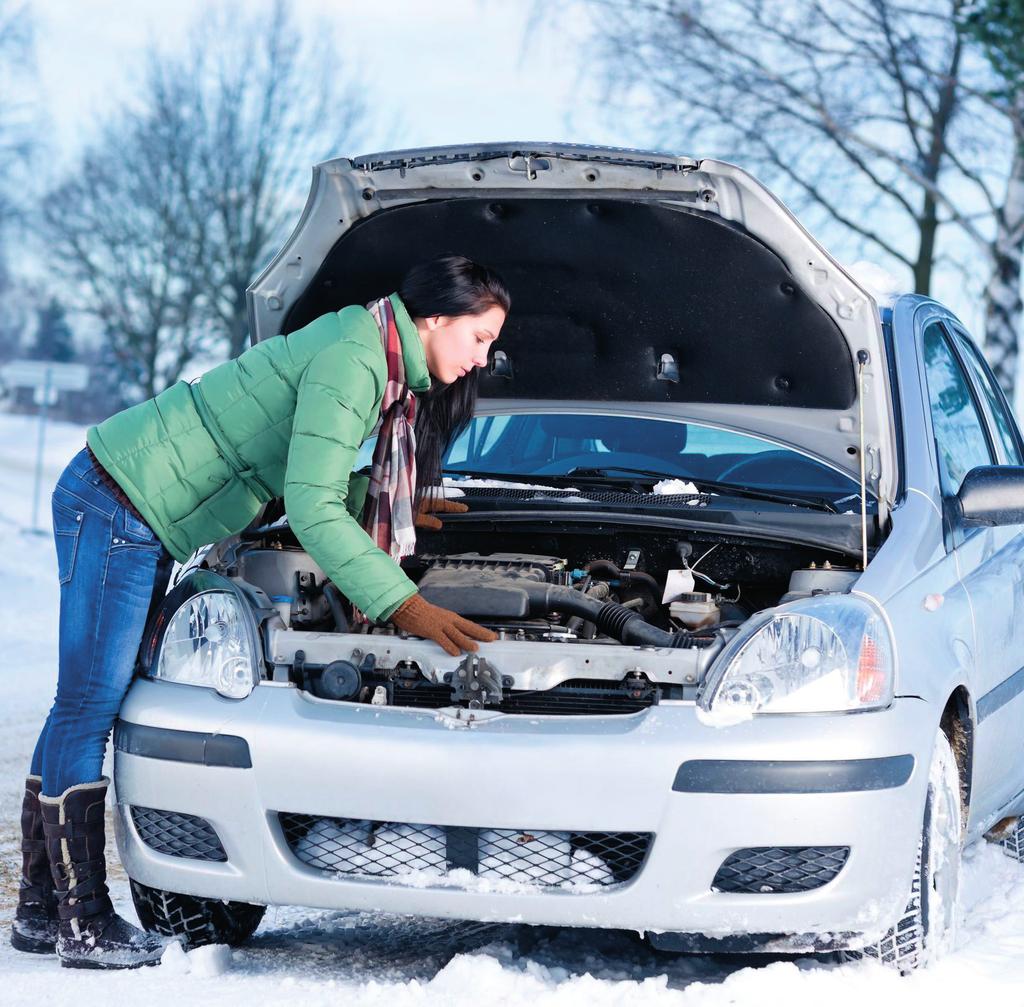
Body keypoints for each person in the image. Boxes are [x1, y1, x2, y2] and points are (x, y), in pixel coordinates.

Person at [11, 254, 510, 969]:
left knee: (79, 704)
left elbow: (305, 455)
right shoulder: (356, 360)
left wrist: (388, 496)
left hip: (130, 502)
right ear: (436, 318)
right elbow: (308, 504)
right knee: (88, 705)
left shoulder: (364, 344)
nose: (483, 357)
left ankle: (39, 908)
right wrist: (401, 602)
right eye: (480, 337)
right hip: (119, 500)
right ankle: (83, 919)